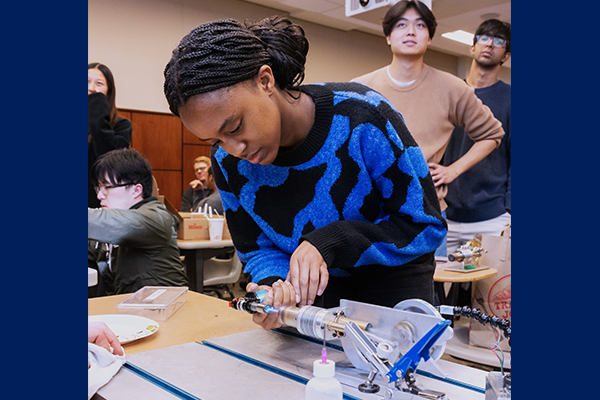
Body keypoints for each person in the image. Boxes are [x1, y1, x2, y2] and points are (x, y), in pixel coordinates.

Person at [163, 16, 446, 330]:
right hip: (312, 306)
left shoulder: (362, 117)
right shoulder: (228, 163)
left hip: (392, 293)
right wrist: (274, 288)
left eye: (235, 127)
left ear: (265, 81)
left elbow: (424, 225)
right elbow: (256, 249)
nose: (234, 149)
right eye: (216, 140)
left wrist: (329, 242)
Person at [351, 0, 505, 256]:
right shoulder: (360, 89)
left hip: (427, 214)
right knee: (372, 295)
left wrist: (453, 170)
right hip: (370, 213)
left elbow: (492, 134)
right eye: (402, 24)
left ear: (430, 37)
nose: (410, 31)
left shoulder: (453, 88)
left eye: (419, 25)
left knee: (427, 294)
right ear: (388, 36)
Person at [443, 19, 511, 254]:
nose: (490, 44)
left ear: (506, 56)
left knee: (485, 292)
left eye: (498, 41)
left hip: (491, 218)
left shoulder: (512, 99)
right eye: (484, 38)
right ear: (472, 47)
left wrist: (508, 212)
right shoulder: (450, 93)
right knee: (437, 290)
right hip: (445, 217)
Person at [88, 148, 188, 294]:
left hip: (163, 310)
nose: (100, 195)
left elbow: (105, 222)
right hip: (128, 308)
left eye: (106, 187)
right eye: (98, 188)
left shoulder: (155, 217)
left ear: (136, 190)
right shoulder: (115, 220)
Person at [88, 62, 132, 209]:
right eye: (86, 82)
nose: (91, 88)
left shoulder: (122, 126)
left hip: (100, 207)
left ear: (109, 91)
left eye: (99, 83)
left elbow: (107, 157)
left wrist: (97, 107)